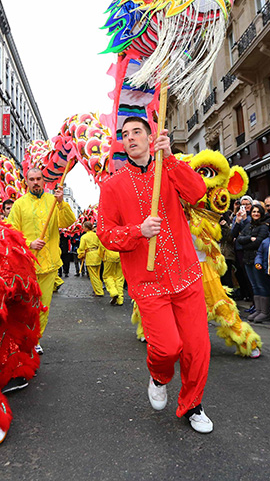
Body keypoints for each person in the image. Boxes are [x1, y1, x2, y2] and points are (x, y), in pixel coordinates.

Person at [97, 116, 213, 433]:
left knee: (197, 348)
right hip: (148, 283)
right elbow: (106, 234)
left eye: (137, 132)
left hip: (185, 274)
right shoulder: (112, 186)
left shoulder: (168, 169)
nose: (131, 138)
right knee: (166, 348)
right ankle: (159, 376)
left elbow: (197, 193)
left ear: (150, 138)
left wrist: (171, 158)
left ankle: (193, 404)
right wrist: (138, 231)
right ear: (122, 144)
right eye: (125, 135)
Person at [7, 166, 75, 354]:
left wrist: (61, 203)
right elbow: (11, 231)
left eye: (39, 179)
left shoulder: (53, 201)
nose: (36, 182)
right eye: (32, 179)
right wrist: (29, 243)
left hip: (49, 265)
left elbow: (68, 222)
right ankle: (24, 335)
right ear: (26, 182)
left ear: (44, 181)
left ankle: (35, 338)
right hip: (27, 265)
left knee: (43, 307)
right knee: (26, 305)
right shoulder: (19, 205)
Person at [237, 204, 270, 322]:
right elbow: (239, 239)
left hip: (258, 259)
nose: (255, 213)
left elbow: (258, 243)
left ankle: (265, 312)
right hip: (247, 259)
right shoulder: (248, 226)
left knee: (261, 284)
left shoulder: (264, 227)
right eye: (253, 211)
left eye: (258, 212)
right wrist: (249, 238)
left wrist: (248, 241)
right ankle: (258, 309)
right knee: (254, 285)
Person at [77, 220, 104, 297]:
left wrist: (80, 254)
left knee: (93, 275)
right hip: (97, 255)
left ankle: (99, 291)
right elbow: (101, 245)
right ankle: (99, 289)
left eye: (83, 227)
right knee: (97, 275)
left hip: (90, 256)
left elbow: (81, 248)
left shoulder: (84, 237)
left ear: (86, 228)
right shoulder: (96, 235)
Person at [100, 241, 125, 306]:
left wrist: (101, 256)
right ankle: (120, 300)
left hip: (109, 257)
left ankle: (113, 292)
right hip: (120, 256)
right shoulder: (121, 233)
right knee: (119, 278)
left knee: (107, 276)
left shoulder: (106, 234)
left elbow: (101, 248)